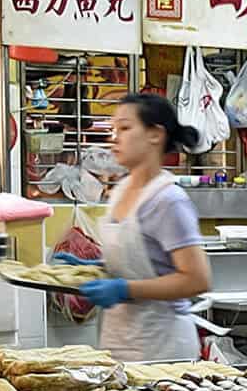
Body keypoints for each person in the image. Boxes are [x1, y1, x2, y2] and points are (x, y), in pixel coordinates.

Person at [71, 93, 212, 361]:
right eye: (113, 129)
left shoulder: (168, 200)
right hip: (120, 338)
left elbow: (197, 279)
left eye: (124, 128)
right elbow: (140, 261)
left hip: (163, 346)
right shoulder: (121, 189)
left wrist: (125, 290)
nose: (114, 137)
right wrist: (88, 268)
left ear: (155, 135)